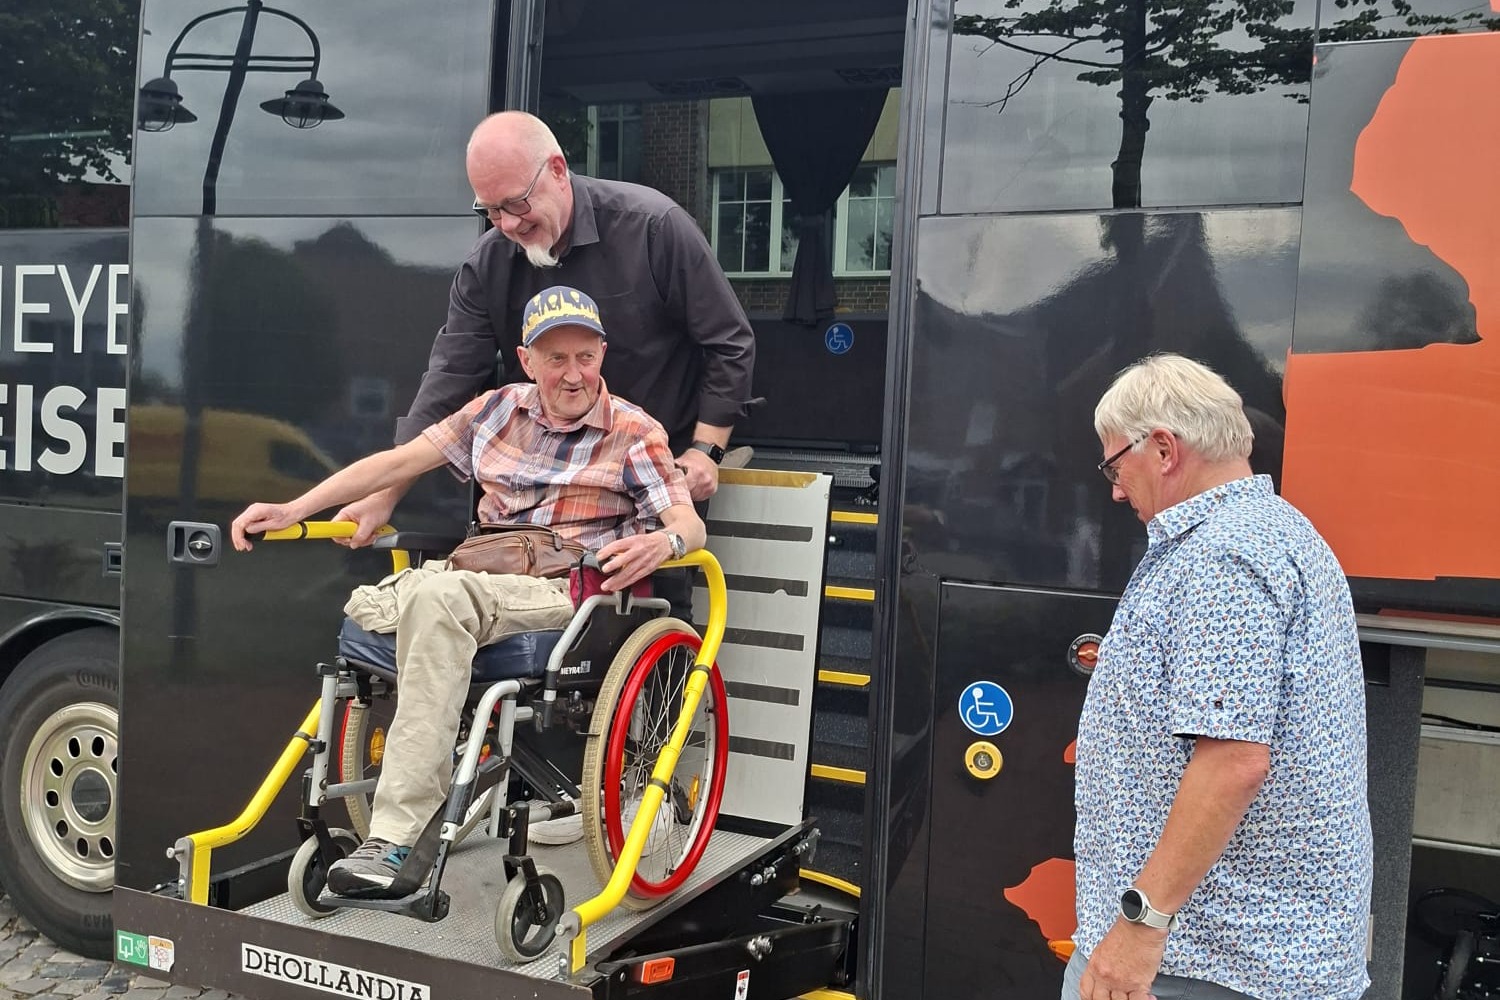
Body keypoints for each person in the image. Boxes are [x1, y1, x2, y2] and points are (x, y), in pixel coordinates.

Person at [230, 286, 705, 897]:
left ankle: (396, 838)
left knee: (435, 600)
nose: (573, 374)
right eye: (555, 358)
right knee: (371, 607)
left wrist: (661, 545)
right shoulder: (495, 410)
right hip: (479, 578)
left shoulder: (636, 433)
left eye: (585, 357)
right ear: (526, 360)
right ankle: (420, 787)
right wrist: (295, 506)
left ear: (603, 354)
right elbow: (397, 462)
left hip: (566, 594)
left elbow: (689, 525)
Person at [1068, 354, 1372, 1000]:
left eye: (1115, 464)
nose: (1116, 489)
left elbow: (1233, 760)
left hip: (1205, 962)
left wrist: (1140, 926)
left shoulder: (1223, 554)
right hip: (1241, 956)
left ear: (1164, 449)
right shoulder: (1278, 531)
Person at [333, 110, 757, 545]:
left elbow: (729, 343)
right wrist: (384, 496)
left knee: (642, 602)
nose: (509, 225)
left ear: (557, 170)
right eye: (492, 210)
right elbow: (449, 381)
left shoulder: (653, 226)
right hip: (535, 506)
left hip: (651, 482)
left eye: (517, 204)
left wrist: (705, 451)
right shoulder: (488, 264)